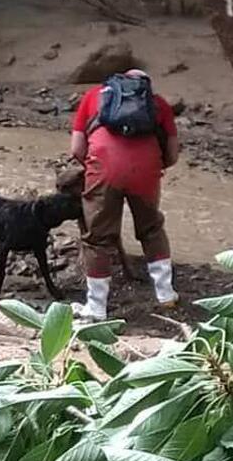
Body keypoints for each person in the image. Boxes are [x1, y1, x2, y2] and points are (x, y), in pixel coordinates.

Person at [70, 69, 180, 320]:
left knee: (97, 238)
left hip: (103, 168)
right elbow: (172, 155)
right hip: (146, 170)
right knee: (151, 229)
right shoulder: (158, 104)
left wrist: (93, 167)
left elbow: (77, 147)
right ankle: (166, 295)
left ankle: (96, 307)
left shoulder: (93, 96)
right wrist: (152, 167)